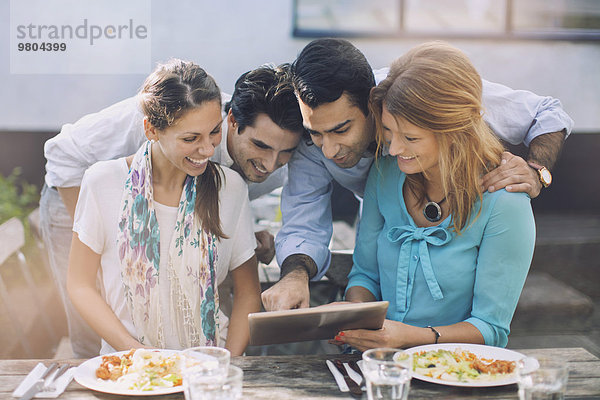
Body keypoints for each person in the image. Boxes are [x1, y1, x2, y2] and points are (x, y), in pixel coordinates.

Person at [262, 38, 573, 311]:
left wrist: (537, 170)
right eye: (316, 134)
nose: (327, 151)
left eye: (341, 130)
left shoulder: (421, 92)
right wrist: (295, 277)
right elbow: (304, 221)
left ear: (373, 101)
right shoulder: (316, 145)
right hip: (383, 228)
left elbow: (545, 112)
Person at [40, 63, 302, 357]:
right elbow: (63, 158)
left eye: (213, 133)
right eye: (191, 138)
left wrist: (227, 362)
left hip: (204, 356)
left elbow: (244, 287)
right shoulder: (107, 170)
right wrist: (112, 238)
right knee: (93, 329)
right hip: (69, 194)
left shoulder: (235, 183)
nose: (206, 149)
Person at [333, 42, 535, 350]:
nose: (395, 149)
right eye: (388, 131)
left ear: (455, 131)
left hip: (454, 371)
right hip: (375, 366)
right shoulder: (385, 175)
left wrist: (407, 338)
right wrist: (357, 317)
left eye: (411, 137)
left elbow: (491, 328)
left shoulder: (505, 202)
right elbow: (364, 276)